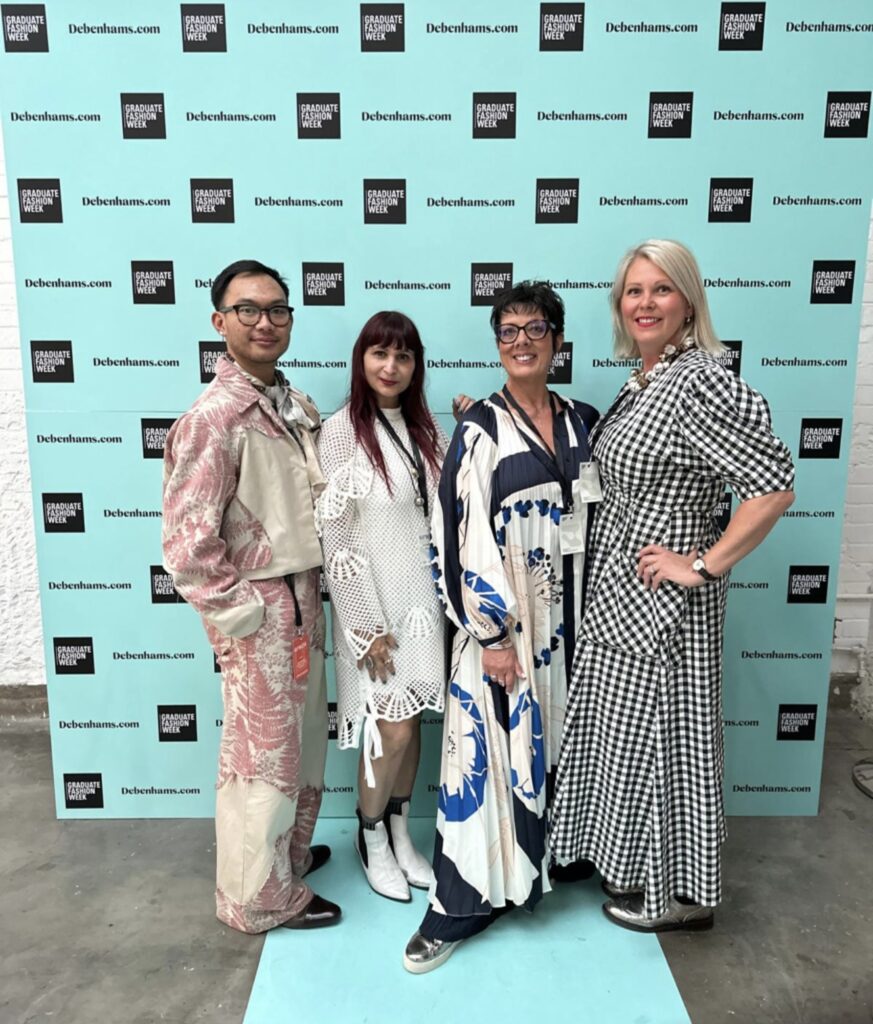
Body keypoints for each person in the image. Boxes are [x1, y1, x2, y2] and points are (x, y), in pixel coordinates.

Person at [550, 239, 795, 932]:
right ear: (618, 305)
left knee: (668, 742)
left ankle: (677, 899)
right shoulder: (647, 378)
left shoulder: (700, 380)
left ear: (688, 300)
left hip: (667, 603)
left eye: (661, 290)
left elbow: (772, 487)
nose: (645, 303)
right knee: (631, 737)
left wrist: (703, 563)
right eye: (633, 291)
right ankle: (641, 871)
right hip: (619, 591)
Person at [403, 281, 600, 973]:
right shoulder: (480, 429)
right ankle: (460, 906)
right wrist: (488, 636)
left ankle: (545, 864)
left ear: (557, 339)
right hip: (505, 637)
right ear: (497, 344)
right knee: (482, 764)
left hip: (571, 632)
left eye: (535, 328)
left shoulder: (583, 419)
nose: (521, 340)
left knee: (560, 755)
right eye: (507, 330)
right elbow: (454, 538)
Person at [162, 259, 340, 933]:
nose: (265, 322)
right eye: (248, 310)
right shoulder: (214, 418)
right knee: (258, 759)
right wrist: (245, 615)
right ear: (219, 322)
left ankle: (285, 861)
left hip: (305, 602)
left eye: (277, 310)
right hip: (262, 611)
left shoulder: (288, 404)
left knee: (300, 750)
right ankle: (255, 898)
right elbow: (187, 545)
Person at [316, 312, 448, 902]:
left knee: (413, 725)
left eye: (403, 356)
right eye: (380, 354)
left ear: (415, 365)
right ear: (361, 360)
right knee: (388, 730)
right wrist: (364, 625)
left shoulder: (426, 429)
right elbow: (337, 538)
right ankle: (369, 837)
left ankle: (399, 831)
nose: (391, 367)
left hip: (425, 606)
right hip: (376, 612)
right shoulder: (343, 430)